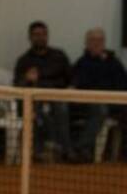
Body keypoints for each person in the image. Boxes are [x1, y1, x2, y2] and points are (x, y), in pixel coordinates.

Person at [13, 21, 75, 161]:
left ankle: (66, 150)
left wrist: (70, 88)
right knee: (38, 112)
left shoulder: (59, 55)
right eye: (36, 35)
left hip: (58, 96)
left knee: (61, 108)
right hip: (35, 100)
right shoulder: (24, 61)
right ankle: (39, 151)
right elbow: (17, 85)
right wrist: (27, 79)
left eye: (43, 34)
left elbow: (71, 78)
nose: (40, 37)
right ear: (30, 37)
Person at [70, 28, 127, 159]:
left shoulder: (114, 63)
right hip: (88, 104)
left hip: (114, 104)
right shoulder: (81, 63)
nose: (96, 43)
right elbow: (75, 85)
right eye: (93, 40)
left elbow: (123, 85)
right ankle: (82, 148)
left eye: (100, 40)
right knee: (100, 109)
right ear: (87, 43)